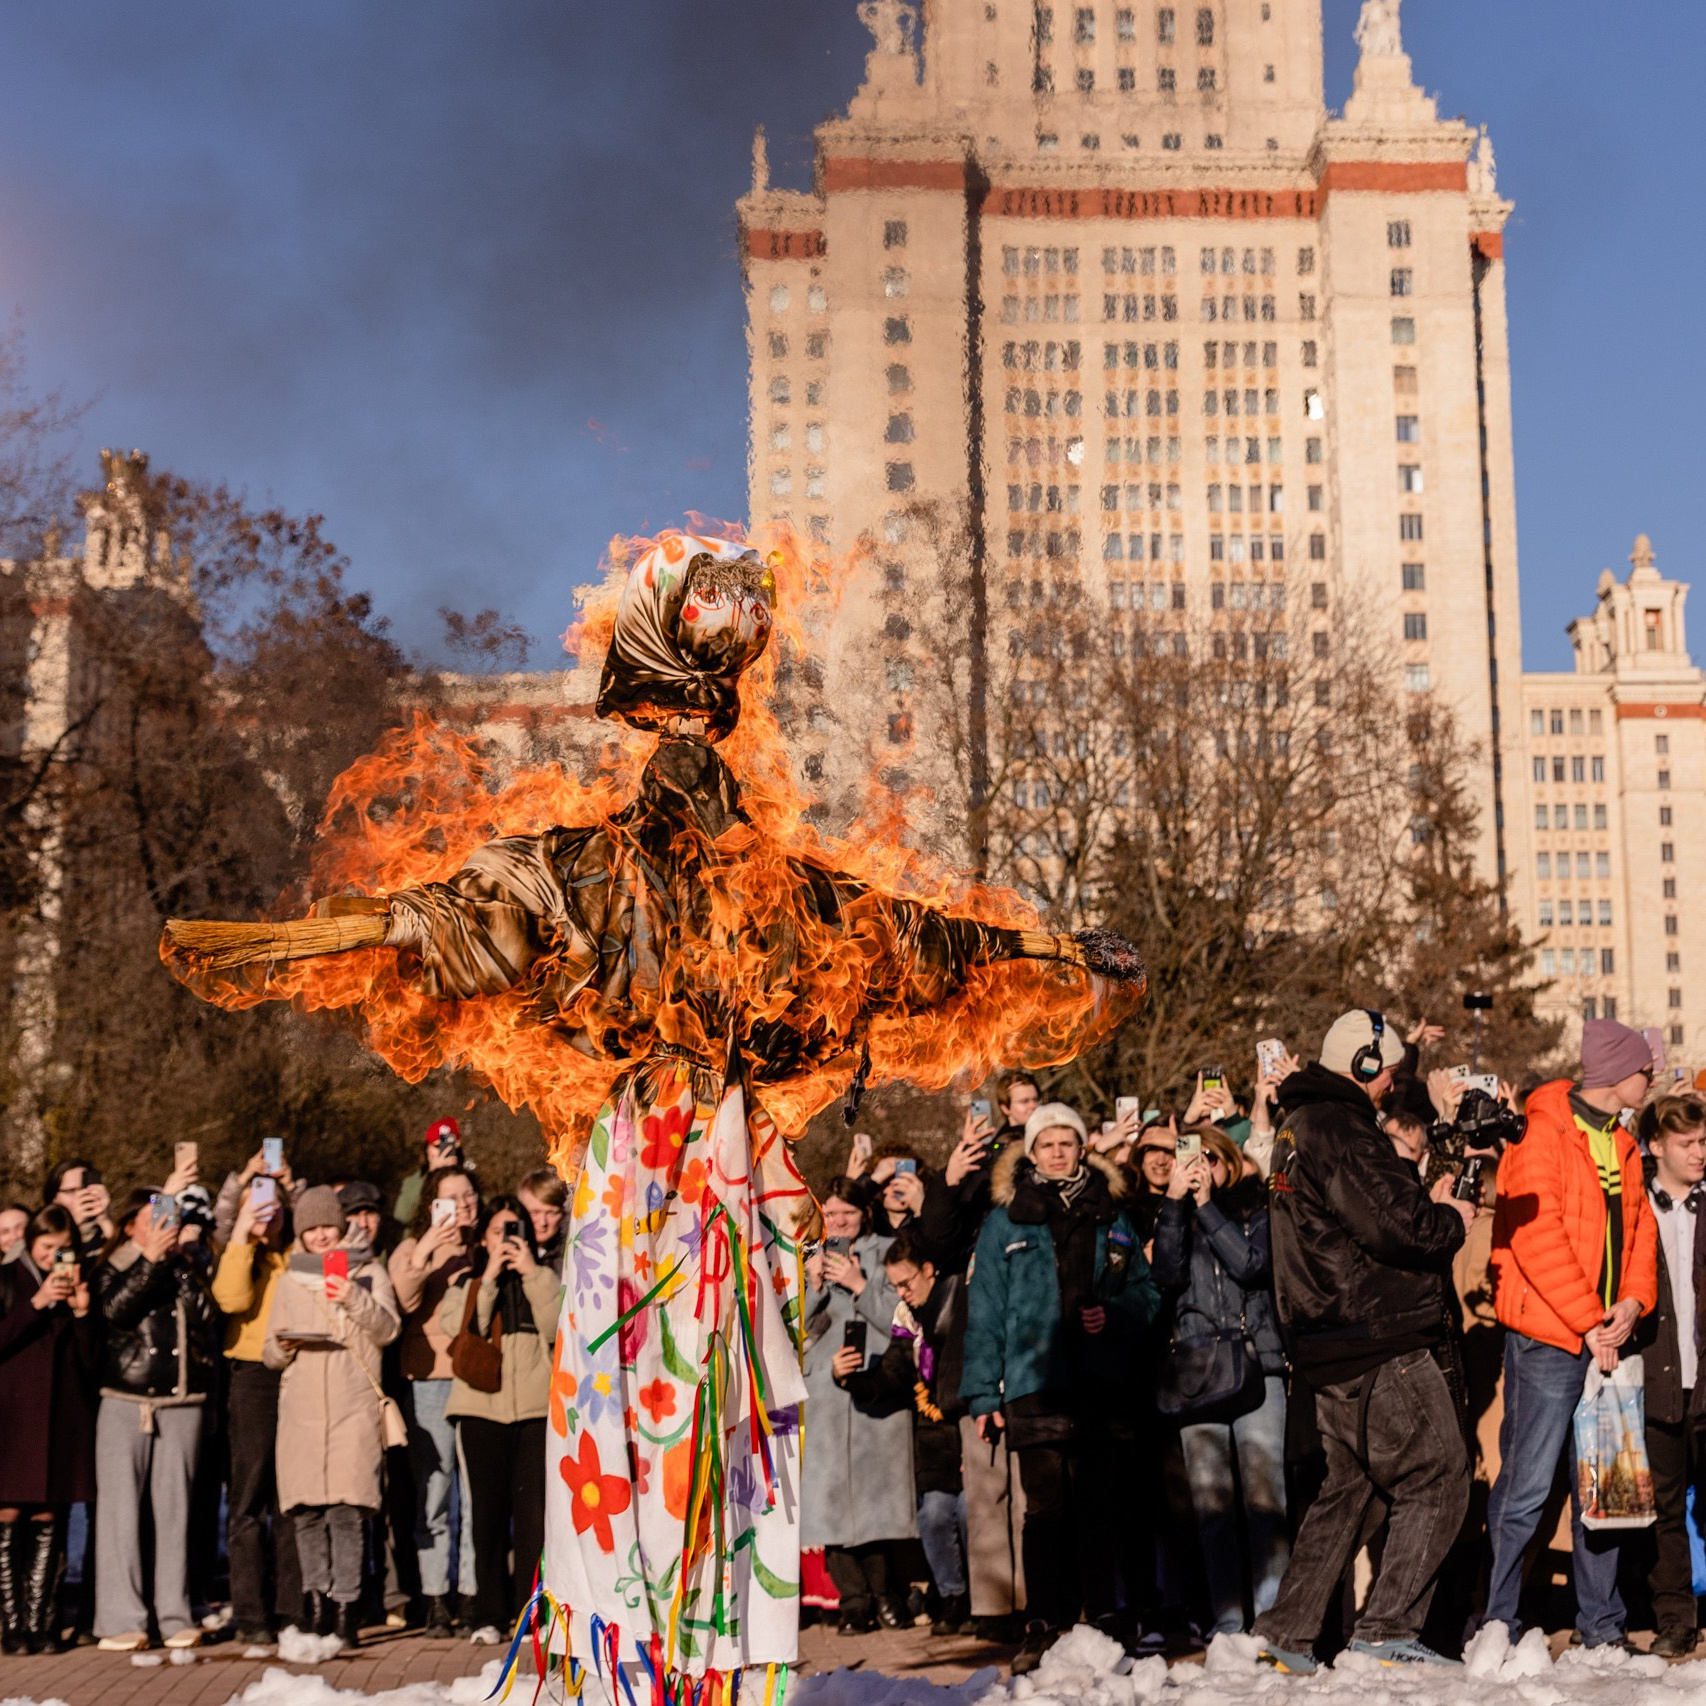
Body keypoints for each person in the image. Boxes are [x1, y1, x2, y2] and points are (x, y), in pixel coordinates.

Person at [1253, 1010, 1473, 1674]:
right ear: (1367, 1065)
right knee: (1440, 1474)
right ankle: (1386, 1629)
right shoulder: (1341, 1129)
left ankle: (1288, 1632)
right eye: (1390, 1072)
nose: (1392, 1086)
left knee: (1353, 1487)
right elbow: (1394, 1228)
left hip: (1327, 1340)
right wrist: (1450, 1217)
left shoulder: (1300, 1126)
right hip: (1375, 1334)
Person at [962, 1102, 1160, 1674]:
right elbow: (986, 1311)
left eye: (1066, 1142)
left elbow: (1146, 1295)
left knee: (1098, 1507)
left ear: (1081, 1147)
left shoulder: (1112, 1213)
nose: (1056, 1151)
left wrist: (1115, 1316)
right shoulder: (1006, 1219)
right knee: (1043, 1509)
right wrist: (982, 1396)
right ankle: (1043, 1621)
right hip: (1033, 1384)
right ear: (1031, 1151)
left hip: (1099, 1384)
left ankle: (1100, 1618)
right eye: (1045, 1142)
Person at [1484, 1017, 1659, 1650]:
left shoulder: (1626, 1141)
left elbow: (1641, 1230)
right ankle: (1497, 1622)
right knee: (1527, 1485)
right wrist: (1590, 1321)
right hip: (1551, 1340)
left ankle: (1602, 1628)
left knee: (1603, 1490)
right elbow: (1538, 1236)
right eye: (1646, 1068)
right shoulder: (1542, 1130)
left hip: (1608, 1337)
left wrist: (1633, 1302)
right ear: (1618, 1072)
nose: (1653, 1077)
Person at [1150, 1125, 1287, 1637]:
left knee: (1265, 1501)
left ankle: (1272, 1616)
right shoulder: (1175, 1215)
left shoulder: (1258, 1209)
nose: (1199, 1164)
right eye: (1191, 1156)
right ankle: (1228, 1619)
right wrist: (1175, 1204)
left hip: (1258, 1365)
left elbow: (1251, 1266)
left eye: (1210, 1155)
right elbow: (1165, 1274)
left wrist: (1208, 1206)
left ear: (1229, 1161)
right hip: (1195, 1373)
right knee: (1211, 1508)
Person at [265, 1184, 400, 1652]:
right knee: (306, 1514)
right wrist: (280, 1346)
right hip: (300, 1410)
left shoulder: (367, 1269)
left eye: (327, 1225)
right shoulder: (287, 1278)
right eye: (311, 1228)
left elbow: (388, 1329)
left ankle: (347, 1609)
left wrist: (352, 1298)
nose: (321, 1236)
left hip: (352, 1407)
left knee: (346, 1513)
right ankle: (316, 1604)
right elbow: (268, 1350)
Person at [92, 1188, 220, 1652]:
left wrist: (179, 1263)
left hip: (183, 1398)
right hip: (125, 1398)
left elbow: (207, 1317)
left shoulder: (186, 1265)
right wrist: (150, 1261)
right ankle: (121, 1618)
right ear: (130, 1226)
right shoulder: (114, 1265)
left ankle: (174, 1614)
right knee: (119, 1513)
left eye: (167, 1218)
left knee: (176, 1513)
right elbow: (115, 1311)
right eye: (151, 1219)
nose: (161, 1227)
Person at [833, 1225, 971, 1634]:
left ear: (928, 1270)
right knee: (933, 1515)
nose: (902, 1294)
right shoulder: (906, 1321)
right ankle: (953, 1597)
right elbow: (892, 1373)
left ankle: (982, 1599)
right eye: (895, 1287)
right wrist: (850, 1378)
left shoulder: (957, 1301)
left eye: (906, 1283)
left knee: (967, 1513)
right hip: (933, 1443)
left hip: (967, 1430)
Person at [436, 1194, 559, 1644]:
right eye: (497, 1232)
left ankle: (531, 1614)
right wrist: (487, 1277)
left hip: (535, 1411)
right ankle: (488, 1613)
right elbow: (456, 1326)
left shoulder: (545, 1277)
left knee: (532, 1517)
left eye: (514, 1230)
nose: (506, 1241)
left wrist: (530, 1272)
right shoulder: (468, 1279)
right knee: (485, 1516)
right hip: (478, 1410)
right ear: (483, 1237)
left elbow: (559, 1325)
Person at [801, 1178, 914, 1634]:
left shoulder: (889, 1250)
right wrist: (812, 1287)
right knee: (831, 1505)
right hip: (827, 1396)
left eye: (846, 1212)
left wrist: (858, 1283)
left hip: (878, 1390)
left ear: (864, 1212)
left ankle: (887, 1597)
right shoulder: (808, 1257)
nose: (838, 1222)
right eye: (830, 1214)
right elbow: (799, 1331)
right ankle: (852, 1603)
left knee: (875, 1504)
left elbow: (900, 1320)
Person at [212, 1154, 302, 1648]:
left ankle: (291, 1608)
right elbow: (230, 1301)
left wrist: (293, 1186)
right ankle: (251, 1614)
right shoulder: (238, 1249)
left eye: (274, 1206)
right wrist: (243, 1236)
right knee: (248, 1500)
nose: (268, 1213)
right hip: (252, 1378)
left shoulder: (297, 1252)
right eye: (256, 1205)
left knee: (291, 1498)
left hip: (299, 1376)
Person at [0, 1205, 98, 1654]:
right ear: (30, 1244)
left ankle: (41, 1621)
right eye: (46, 1247)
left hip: (61, 1418)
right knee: (8, 1514)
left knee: (48, 1516)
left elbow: (91, 1363)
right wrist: (35, 1306)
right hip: (12, 1418)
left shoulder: (79, 1286)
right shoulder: (7, 1280)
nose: (54, 1257)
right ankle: (12, 1623)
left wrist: (80, 1313)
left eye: (64, 1249)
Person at [389, 1164, 480, 1633]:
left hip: (481, 1381)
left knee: (473, 1495)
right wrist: (427, 1245)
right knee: (435, 1492)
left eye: (469, 1196)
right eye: (452, 1198)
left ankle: (469, 1594)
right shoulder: (412, 1249)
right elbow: (401, 1299)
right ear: (431, 1205)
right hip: (429, 1381)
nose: (464, 1204)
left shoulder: (485, 1248)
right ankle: (434, 1598)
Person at [1633, 1094, 1706, 1658]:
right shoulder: (1639, 1207)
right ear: (1657, 1145)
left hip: (1705, 1372)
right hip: (1658, 1373)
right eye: (1688, 1144)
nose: (1700, 1153)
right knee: (1665, 1504)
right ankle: (1675, 1617)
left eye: (1704, 1142)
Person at [394, 1118, 469, 1228]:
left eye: (449, 1146)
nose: (443, 1151)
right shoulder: (413, 1182)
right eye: (438, 1146)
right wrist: (433, 1174)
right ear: (426, 1150)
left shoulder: (467, 1181)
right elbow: (402, 1215)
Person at [44, 1161, 113, 1258]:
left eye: (85, 1189)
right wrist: (73, 1227)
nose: (81, 1196)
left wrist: (105, 1221)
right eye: (71, 1191)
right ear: (54, 1199)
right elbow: (61, 1265)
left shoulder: (108, 1233)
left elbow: (131, 1265)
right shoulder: (42, 1235)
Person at [516, 1167, 566, 1271]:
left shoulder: (570, 1257)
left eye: (551, 1213)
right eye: (535, 1212)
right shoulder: (504, 1250)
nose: (543, 1222)